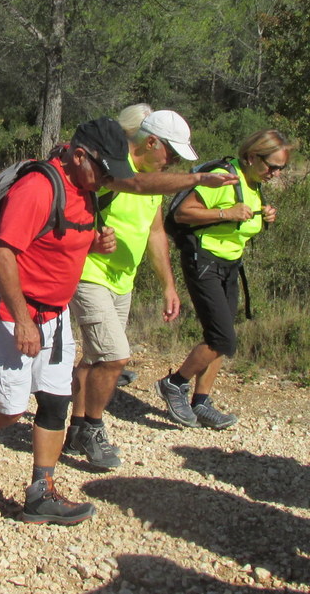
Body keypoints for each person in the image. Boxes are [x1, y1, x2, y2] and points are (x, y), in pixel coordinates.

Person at [0, 118, 131, 525]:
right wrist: (22, 321)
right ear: (79, 155)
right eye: (104, 170)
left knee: (55, 402)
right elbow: (3, 256)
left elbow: (57, 243)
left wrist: (95, 244)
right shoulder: (38, 188)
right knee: (8, 409)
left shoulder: (86, 191)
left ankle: (42, 492)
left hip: (55, 316)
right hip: (10, 315)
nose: (108, 180)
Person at [65, 106, 235, 469]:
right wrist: (197, 181)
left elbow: (156, 232)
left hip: (121, 280)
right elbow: (136, 185)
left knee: (95, 358)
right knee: (114, 357)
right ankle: (92, 429)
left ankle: (75, 429)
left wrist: (168, 286)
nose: (170, 162)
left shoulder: (154, 180)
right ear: (151, 141)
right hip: (88, 273)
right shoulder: (113, 164)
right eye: (170, 154)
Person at [156, 129, 294, 430]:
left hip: (230, 264)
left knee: (221, 335)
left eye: (280, 168)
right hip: (204, 261)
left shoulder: (253, 182)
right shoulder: (224, 176)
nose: (275, 173)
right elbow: (182, 213)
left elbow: (242, 216)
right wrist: (226, 212)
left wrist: (264, 214)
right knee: (223, 338)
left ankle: (201, 402)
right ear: (251, 156)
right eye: (271, 166)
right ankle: (174, 383)